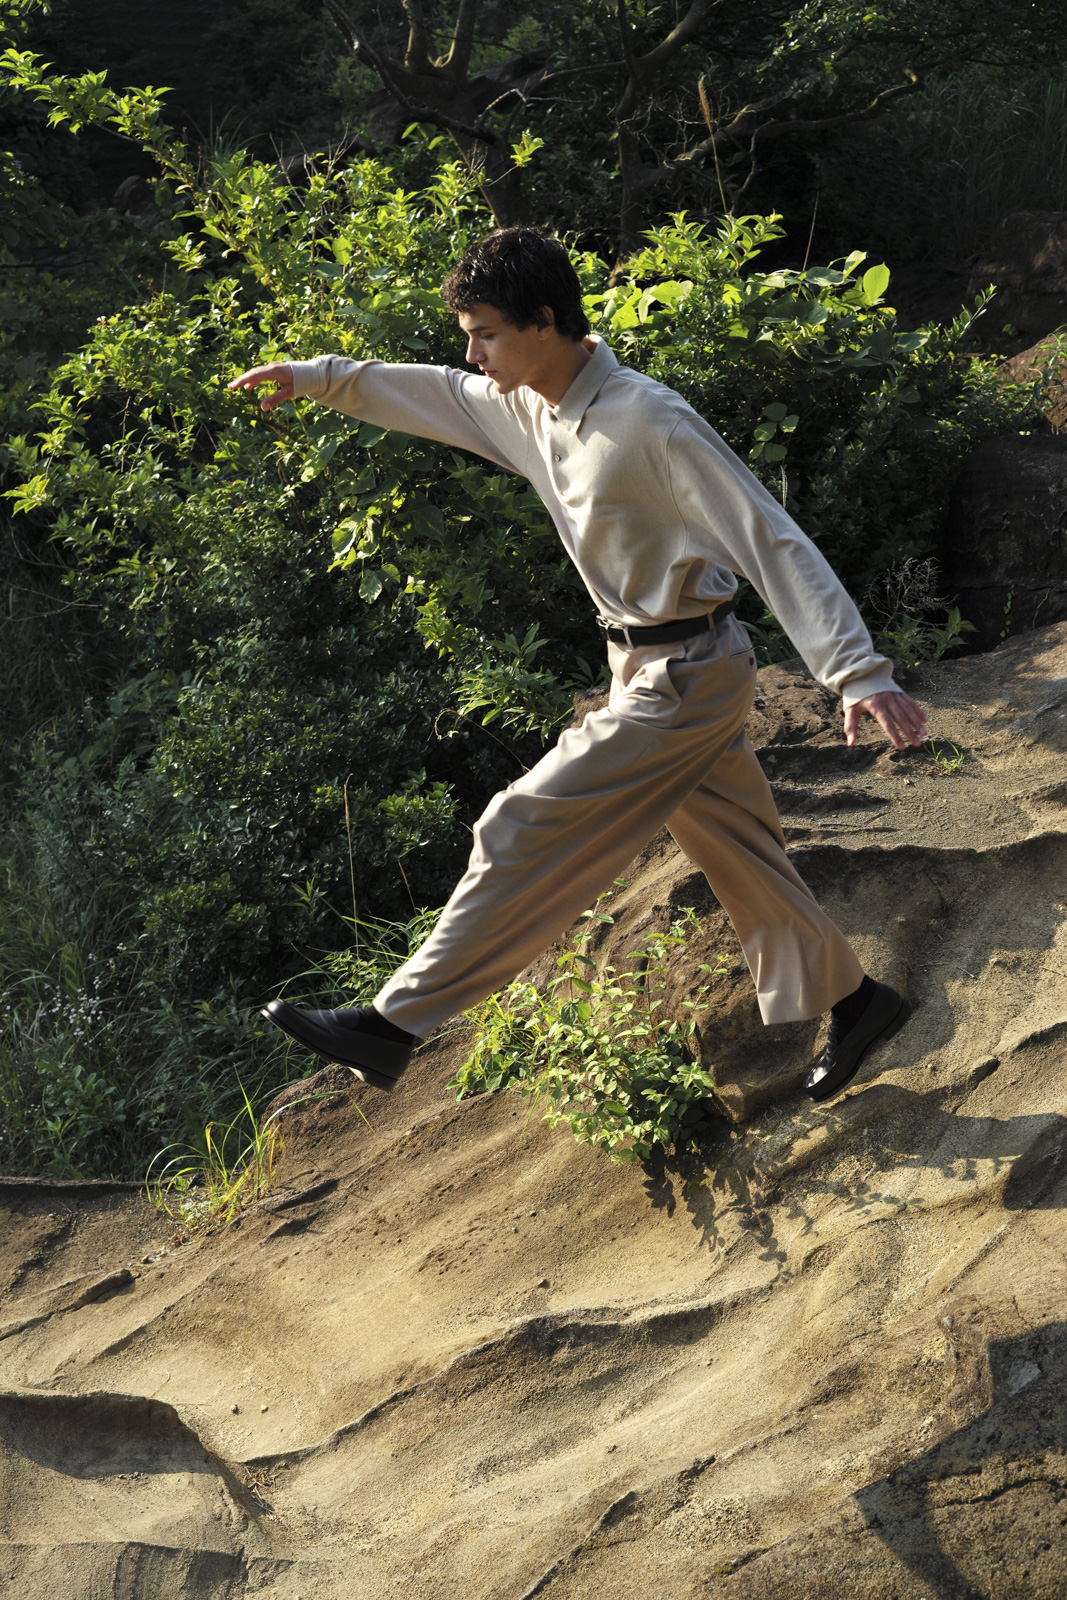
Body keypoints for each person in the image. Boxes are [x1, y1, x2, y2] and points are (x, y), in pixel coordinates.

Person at [229, 226, 927, 1105]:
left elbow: (769, 539)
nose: (473, 354)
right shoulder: (529, 404)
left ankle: (391, 1023)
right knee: (741, 855)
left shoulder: (651, 421)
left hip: (685, 679)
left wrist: (857, 671)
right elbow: (435, 392)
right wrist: (314, 378)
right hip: (640, 667)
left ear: (544, 322)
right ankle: (857, 1003)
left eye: (485, 333)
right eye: (469, 335)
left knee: (517, 824)